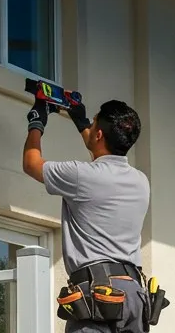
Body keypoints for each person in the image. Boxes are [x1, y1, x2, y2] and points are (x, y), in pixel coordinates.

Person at [22, 91, 152, 332]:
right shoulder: (141, 181)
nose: (90, 128)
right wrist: (82, 122)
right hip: (134, 296)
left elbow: (31, 164)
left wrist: (36, 121)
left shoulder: (81, 175)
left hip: (99, 296)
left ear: (100, 134)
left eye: (93, 125)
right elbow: (102, 155)